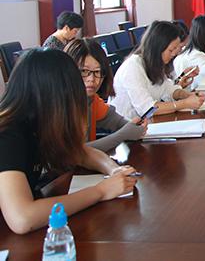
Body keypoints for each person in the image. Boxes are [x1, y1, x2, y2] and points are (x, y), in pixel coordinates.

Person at [0, 49, 137, 234]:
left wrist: (113, 170)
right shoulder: (7, 133)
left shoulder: (36, 121)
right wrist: (100, 191)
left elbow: (80, 153)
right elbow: (23, 218)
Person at [110, 21, 205, 120]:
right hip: (126, 124)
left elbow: (168, 89)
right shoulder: (132, 67)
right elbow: (148, 110)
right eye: (171, 50)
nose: (174, 54)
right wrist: (184, 103)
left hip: (145, 123)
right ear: (157, 47)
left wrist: (186, 95)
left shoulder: (155, 63)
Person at [64, 39, 146, 152]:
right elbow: (74, 153)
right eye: (84, 71)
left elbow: (118, 122)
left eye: (97, 72)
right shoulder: (59, 107)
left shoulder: (92, 100)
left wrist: (136, 126)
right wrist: (122, 135)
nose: (92, 79)